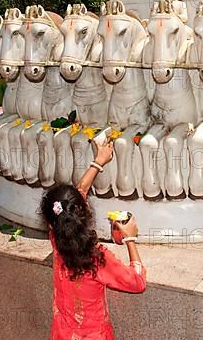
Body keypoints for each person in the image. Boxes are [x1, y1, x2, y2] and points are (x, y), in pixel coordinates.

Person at [41, 140, 147, 339]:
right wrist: (129, 238)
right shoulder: (97, 258)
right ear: (86, 212)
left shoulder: (57, 240)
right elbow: (137, 282)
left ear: (50, 223)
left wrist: (98, 162)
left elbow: (74, 198)